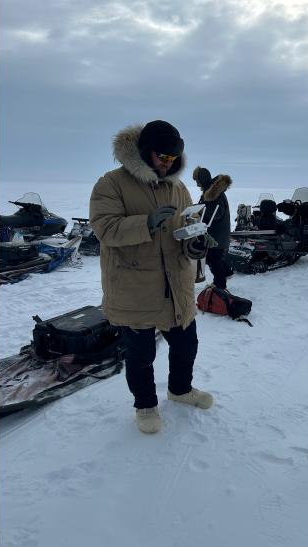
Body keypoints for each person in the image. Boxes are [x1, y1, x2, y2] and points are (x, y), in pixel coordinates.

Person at [89, 120, 217, 434]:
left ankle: (180, 390)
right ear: (146, 152)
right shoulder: (112, 183)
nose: (167, 164)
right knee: (141, 354)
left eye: (173, 159)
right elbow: (104, 229)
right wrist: (145, 223)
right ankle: (145, 405)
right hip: (134, 287)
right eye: (163, 157)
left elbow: (189, 225)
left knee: (187, 344)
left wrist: (195, 242)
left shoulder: (178, 187)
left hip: (176, 284)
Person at [192, 166, 232, 289]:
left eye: (198, 181)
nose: (197, 185)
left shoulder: (215, 194)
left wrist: (200, 211)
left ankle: (220, 285)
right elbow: (205, 206)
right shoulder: (209, 192)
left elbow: (218, 212)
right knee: (216, 257)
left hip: (217, 233)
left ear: (203, 180)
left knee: (213, 259)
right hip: (216, 232)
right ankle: (227, 272)